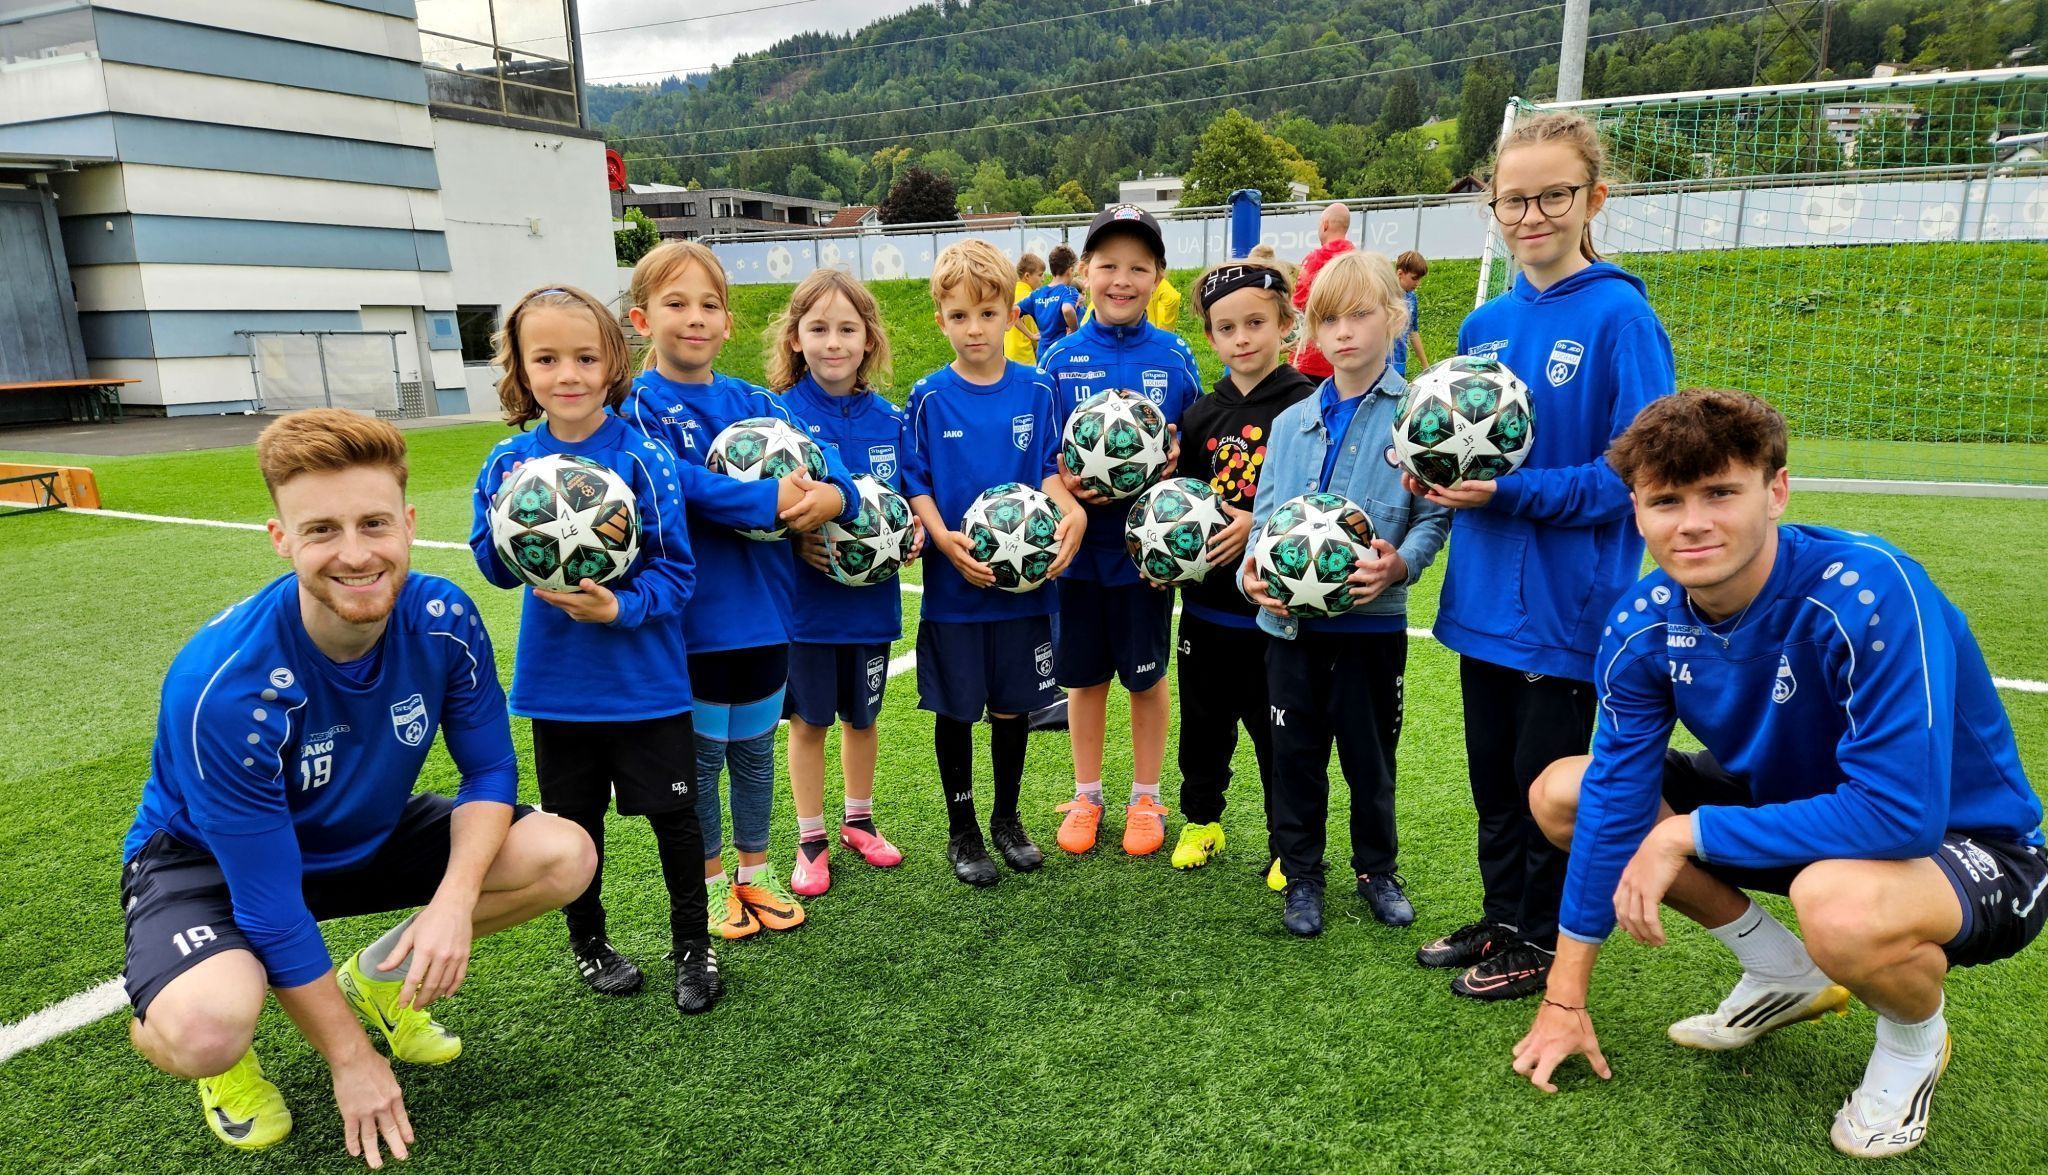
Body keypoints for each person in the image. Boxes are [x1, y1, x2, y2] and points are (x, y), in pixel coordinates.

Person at [1512, 388, 2045, 1159]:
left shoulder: (1869, 589)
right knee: (1564, 789)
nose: (1692, 522)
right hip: (1796, 811)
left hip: (1970, 845)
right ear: (1636, 509)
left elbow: (1902, 817)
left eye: (1720, 492)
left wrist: (1687, 832)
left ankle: (1912, 1041)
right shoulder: (1643, 619)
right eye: (1666, 499)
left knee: (1837, 901)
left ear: (1777, 490)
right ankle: (1779, 969)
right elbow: (1610, 802)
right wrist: (1566, 997)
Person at [120, 409, 594, 1162]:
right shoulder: (227, 687)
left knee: (563, 854)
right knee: (207, 1025)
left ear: (407, 524)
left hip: (361, 831)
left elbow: (490, 771)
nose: (355, 553)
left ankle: (379, 979)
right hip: (205, 861)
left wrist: (454, 899)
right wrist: (352, 1060)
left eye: (374, 523)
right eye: (321, 531)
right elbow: (270, 907)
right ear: (282, 539)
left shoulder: (442, 615)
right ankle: (210, 1043)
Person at [1413, 112, 1676, 1002]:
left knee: (1543, 792)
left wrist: (1509, 493)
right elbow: (1462, 444)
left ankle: (1537, 937)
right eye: (1513, 198)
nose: (1531, 215)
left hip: (1567, 609)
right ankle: (1503, 916)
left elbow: (1639, 474)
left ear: (1592, 198)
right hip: (1481, 596)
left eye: (1552, 195)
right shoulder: (1485, 319)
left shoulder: (1621, 316)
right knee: (1492, 782)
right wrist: (1425, 466)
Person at [468, 285, 723, 1014]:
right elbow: (491, 564)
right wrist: (509, 513)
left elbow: (677, 574)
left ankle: (692, 945)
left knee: (677, 820)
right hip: (559, 690)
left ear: (614, 361)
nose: (568, 373)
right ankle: (591, 944)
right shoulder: (510, 460)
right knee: (573, 830)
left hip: (646, 685)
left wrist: (618, 606)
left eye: (585, 355)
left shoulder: (644, 459)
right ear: (520, 366)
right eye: (546, 358)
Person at [620, 241, 861, 941]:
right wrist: (765, 499)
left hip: (765, 614)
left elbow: (830, 464)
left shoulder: (756, 402)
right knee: (699, 764)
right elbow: (676, 484)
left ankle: (756, 875)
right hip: (688, 622)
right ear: (642, 319)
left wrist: (834, 499)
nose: (694, 319)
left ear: (727, 322)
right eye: (675, 304)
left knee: (755, 755)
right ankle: (712, 881)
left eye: (708, 305)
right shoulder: (637, 411)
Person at [1239, 251, 1450, 936]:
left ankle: (1377, 869)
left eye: (1361, 314)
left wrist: (1400, 566)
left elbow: (1433, 516)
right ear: (1312, 331)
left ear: (1394, 316)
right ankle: (1301, 875)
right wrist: (1250, 569)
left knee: (1370, 760)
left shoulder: (1416, 415)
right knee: (1294, 759)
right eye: (1330, 319)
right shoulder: (1290, 423)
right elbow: (1267, 513)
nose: (1345, 332)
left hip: (1370, 631)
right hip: (1289, 632)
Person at [902, 237, 1085, 886]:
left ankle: (1007, 818)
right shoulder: (927, 397)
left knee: (1014, 707)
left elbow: (1049, 472)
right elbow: (914, 480)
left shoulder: (1036, 389)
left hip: (1023, 591)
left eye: (986, 313)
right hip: (956, 589)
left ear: (1013, 314)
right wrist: (943, 537)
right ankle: (963, 830)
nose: (973, 328)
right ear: (941, 320)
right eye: (958, 316)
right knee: (957, 708)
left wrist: (1073, 510)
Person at [1039, 205, 1202, 859]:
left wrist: (1175, 461)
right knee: (1084, 678)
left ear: (1158, 275)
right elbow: (1045, 460)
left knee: (1145, 675)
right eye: (1108, 265)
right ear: (1084, 273)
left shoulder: (1175, 355)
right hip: (1079, 551)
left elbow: (1196, 444)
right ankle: (1087, 793)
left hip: (1145, 558)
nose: (1122, 278)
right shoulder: (1060, 358)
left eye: (1139, 266)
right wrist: (1066, 492)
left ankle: (1145, 793)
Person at [767, 268, 922, 896]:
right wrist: (789, 534)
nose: (834, 342)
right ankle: (811, 839)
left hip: (871, 605)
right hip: (805, 606)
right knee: (809, 723)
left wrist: (908, 530)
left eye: (847, 330)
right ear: (796, 339)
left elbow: (911, 494)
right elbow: (755, 499)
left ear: (869, 341)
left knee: (863, 718)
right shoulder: (774, 414)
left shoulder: (890, 418)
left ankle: (859, 820)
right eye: (819, 328)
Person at [1167, 260, 1315, 872]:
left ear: (1286, 323)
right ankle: (1202, 822)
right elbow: (1184, 504)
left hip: (1275, 613)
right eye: (1226, 328)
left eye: (1256, 322)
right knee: (1203, 728)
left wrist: (1256, 522)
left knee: (1278, 734)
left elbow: (1317, 496)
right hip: (1205, 609)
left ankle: (1288, 845)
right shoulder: (1204, 413)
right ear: (1211, 337)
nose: (1242, 338)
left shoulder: (1308, 404)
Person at [1289, 202, 1355, 381]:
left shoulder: (1316, 260)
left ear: (1324, 224)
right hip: (1350, 356)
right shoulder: (1361, 262)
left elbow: (1298, 305)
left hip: (1314, 359)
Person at [1021, 244, 1084, 361]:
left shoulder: (1037, 294)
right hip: (1060, 353)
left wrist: (1030, 335)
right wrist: (1076, 333)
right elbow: (1067, 309)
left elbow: (1013, 311)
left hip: (1042, 355)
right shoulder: (1069, 291)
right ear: (1070, 270)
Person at [1392, 250, 1430, 376]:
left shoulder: (1411, 298)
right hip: (1378, 364)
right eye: (1414, 278)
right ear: (1400, 273)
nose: (1418, 283)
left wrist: (1426, 367)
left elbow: (1413, 332)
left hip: (1399, 362)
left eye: (1420, 279)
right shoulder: (1383, 295)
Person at [1006, 252, 1045, 366]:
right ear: (1027, 276)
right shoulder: (1029, 298)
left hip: (1009, 354)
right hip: (1025, 356)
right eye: (1040, 275)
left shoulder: (1010, 293)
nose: (1042, 279)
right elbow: (1034, 333)